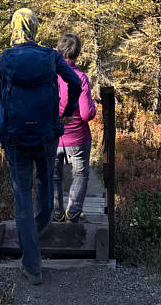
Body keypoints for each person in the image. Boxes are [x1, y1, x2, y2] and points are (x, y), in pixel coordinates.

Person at [0, 8, 82, 285]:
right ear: (35, 29)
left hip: (14, 137)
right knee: (47, 184)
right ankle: (35, 232)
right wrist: (69, 108)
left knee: (22, 198)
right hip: (46, 135)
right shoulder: (50, 57)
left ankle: (32, 264)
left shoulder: (3, 61)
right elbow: (74, 81)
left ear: (14, 29)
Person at [51, 33, 98, 223]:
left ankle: (56, 213)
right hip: (78, 136)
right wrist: (94, 108)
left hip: (54, 136)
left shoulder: (49, 77)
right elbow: (87, 114)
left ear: (58, 51)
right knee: (80, 173)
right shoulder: (80, 78)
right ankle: (73, 212)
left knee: (54, 175)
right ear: (78, 53)